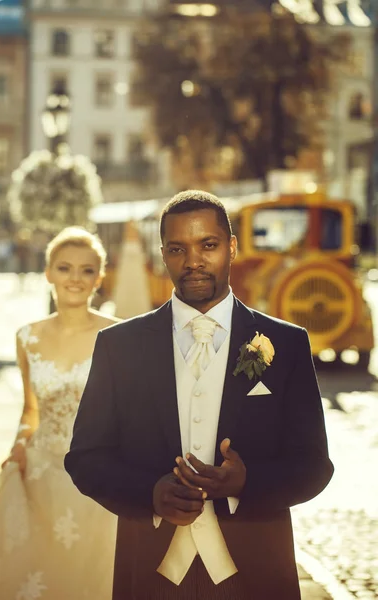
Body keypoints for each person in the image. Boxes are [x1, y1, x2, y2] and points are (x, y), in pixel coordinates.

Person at [65, 191, 334, 600]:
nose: (192, 261)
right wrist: (148, 494)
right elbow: (85, 458)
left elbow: (315, 466)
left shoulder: (286, 343)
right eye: (177, 249)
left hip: (257, 572)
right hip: (150, 571)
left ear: (231, 246)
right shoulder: (119, 345)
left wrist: (248, 483)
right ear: (163, 254)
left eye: (208, 245)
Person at [0, 227, 118, 599]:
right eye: (65, 268)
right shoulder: (27, 336)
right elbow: (31, 409)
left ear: (99, 278)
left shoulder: (119, 336)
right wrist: (18, 448)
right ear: (48, 272)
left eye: (87, 270)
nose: (75, 278)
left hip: (96, 479)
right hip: (40, 475)